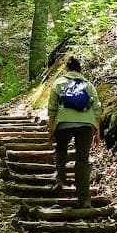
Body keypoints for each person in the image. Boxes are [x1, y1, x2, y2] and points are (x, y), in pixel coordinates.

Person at [46, 59, 102, 208]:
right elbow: (97, 110)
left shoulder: (59, 83)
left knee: (61, 149)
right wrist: (97, 132)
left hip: (64, 122)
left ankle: (60, 178)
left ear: (67, 69)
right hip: (87, 125)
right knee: (82, 159)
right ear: (80, 70)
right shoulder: (89, 85)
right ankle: (84, 199)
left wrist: (51, 130)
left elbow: (52, 110)